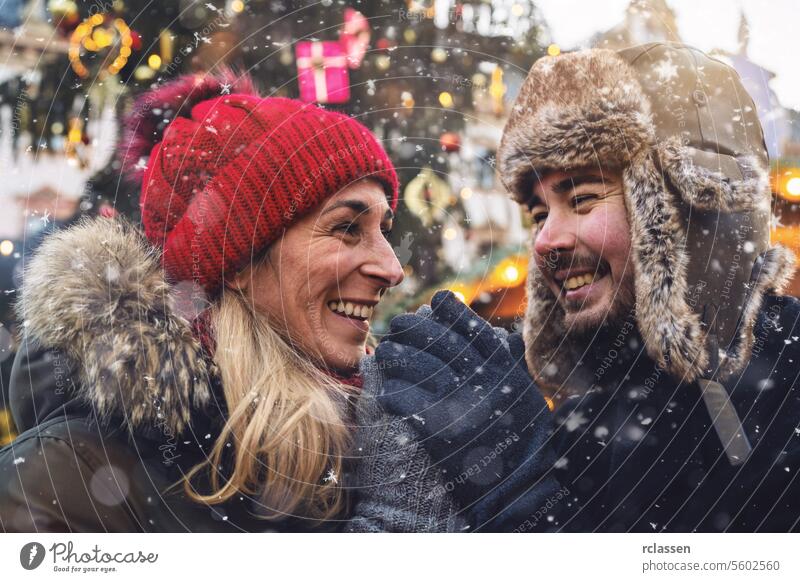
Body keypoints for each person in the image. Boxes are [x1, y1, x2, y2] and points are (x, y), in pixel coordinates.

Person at [362, 42, 800, 532]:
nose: (546, 239)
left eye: (584, 198)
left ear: (688, 208)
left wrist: (515, 487)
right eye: (540, 213)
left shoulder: (785, 385)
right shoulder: (585, 422)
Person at [0, 71, 407, 532]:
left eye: (384, 232)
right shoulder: (63, 483)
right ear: (235, 263)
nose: (392, 270)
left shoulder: (376, 442)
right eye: (346, 229)